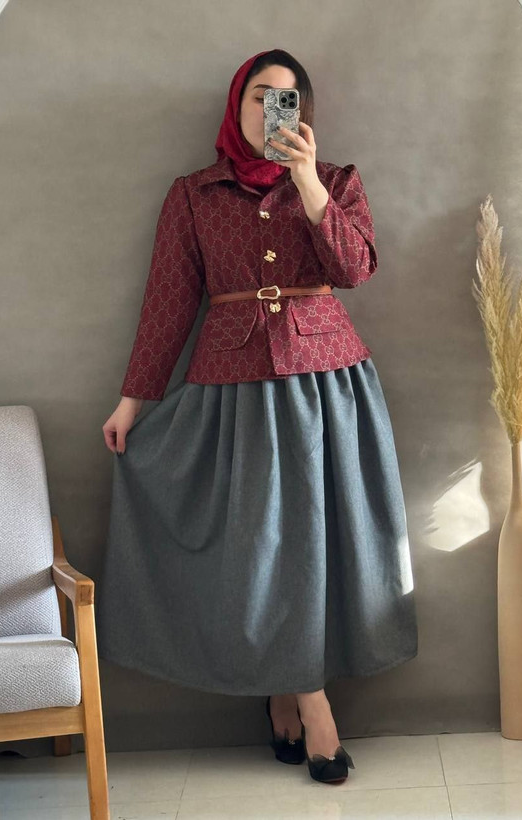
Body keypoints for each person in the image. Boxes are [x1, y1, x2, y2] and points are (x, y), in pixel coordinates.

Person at [98, 49, 418, 785]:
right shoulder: (193, 195)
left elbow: (355, 269)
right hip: (233, 392)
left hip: (328, 387)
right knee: (262, 552)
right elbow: (169, 300)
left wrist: (307, 182)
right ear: (236, 104)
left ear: (303, 111)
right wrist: (132, 400)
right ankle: (311, 703)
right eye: (259, 96)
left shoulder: (335, 180)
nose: (273, 109)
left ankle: (289, 694)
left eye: (287, 98)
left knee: (315, 548)